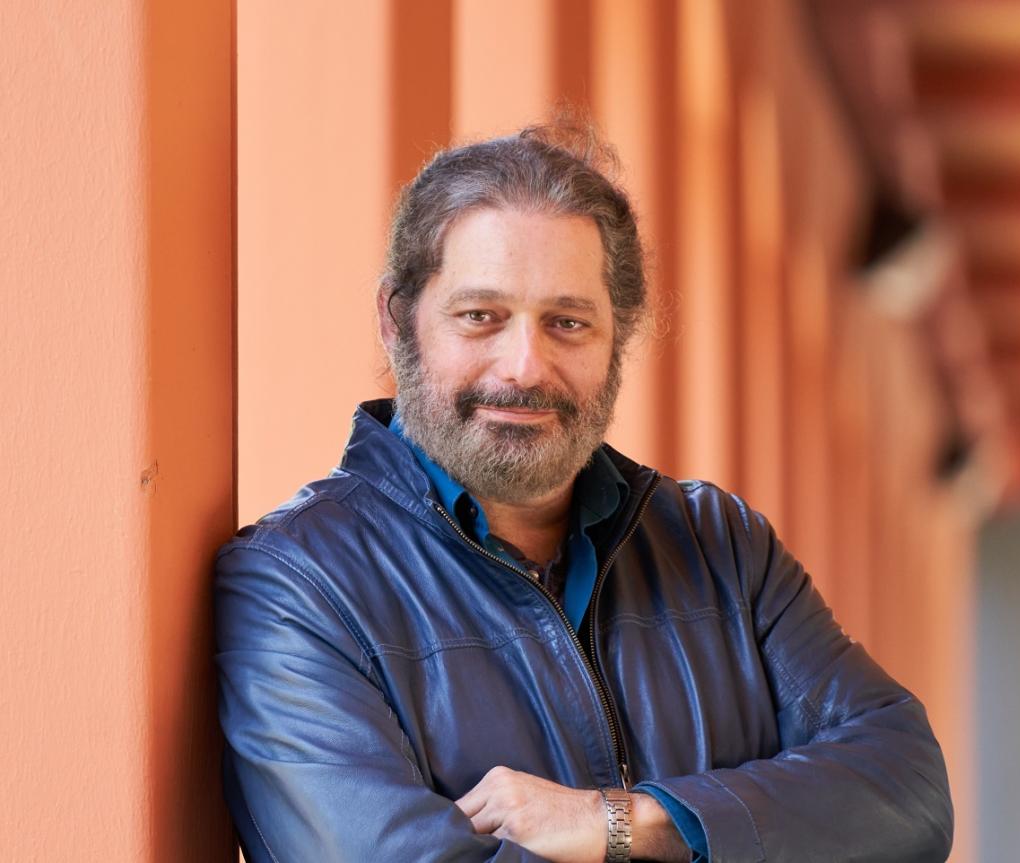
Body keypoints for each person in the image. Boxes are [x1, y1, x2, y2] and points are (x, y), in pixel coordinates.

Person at [214, 123, 953, 863]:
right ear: (396, 319)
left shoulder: (723, 546)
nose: (524, 364)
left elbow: (909, 791)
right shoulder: (297, 586)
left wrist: (626, 822)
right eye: (482, 317)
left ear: (619, 334)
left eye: (567, 322)